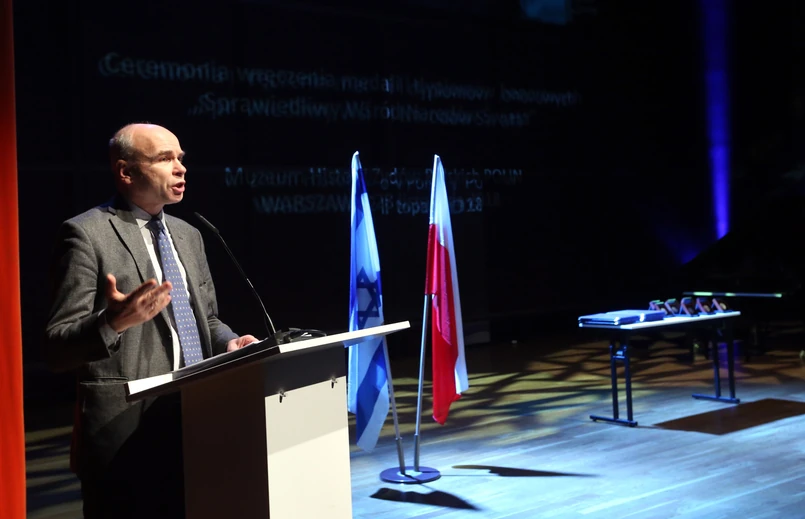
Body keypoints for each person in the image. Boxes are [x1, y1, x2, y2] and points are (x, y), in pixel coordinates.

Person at [44, 123, 258, 518]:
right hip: (126, 431)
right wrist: (112, 322)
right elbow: (56, 346)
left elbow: (206, 319)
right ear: (126, 171)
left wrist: (229, 341)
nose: (180, 168)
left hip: (199, 416)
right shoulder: (86, 234)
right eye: (164, 159)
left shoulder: (189, 235)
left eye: (181, 158)